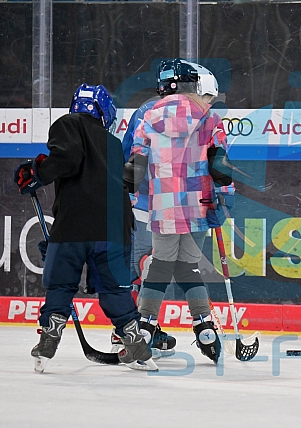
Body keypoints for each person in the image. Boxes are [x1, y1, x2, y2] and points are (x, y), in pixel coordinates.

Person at [13, 83, 157, 372]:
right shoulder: (113, 143)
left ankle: (48, 342)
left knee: (61, 284)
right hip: (115, 230)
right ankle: (138, 347)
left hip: (74, 227)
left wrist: (36, 174)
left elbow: (66, 158)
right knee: (114, 288)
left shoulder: (68, 123)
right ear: (104, 111)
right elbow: (125, 184)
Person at [126, 59, 233, 364]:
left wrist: (130, 194)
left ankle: (145, 326)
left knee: (160, 265)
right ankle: (204, 326)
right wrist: (224, 201)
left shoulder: (149, 115)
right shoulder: (210, 119)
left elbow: (137, 162)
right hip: (198, 205)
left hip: (162, 206)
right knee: (189, 266)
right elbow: (219, 166)